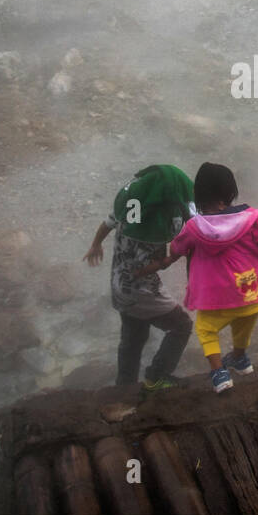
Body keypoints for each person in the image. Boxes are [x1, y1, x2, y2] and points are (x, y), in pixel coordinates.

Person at [134, 162, 258, 393]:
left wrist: (164, 258)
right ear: (230, 193)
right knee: (243, 324)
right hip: (255, 296)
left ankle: (219, 373)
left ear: (198, 196)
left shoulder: (194, 227)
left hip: (220, 299)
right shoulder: (254, 219)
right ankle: (240, 359)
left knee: (206, 329)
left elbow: (178, 248)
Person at [83, 164, 195, 390]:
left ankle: (124, 385)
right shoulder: (154, 230)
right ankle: (157, 375)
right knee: (181, 326)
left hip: (119, 286)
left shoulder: (130, 209)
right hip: (141, 292)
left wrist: (96, 244)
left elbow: (107, 223)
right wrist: (168, 260)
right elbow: (139, 270)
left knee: (133, 339)